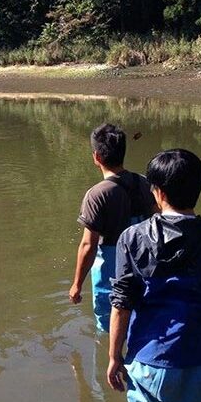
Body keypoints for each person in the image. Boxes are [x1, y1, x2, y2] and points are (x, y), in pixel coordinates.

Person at [107, 149, 201, 402]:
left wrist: (115, 356)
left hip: (153, 367)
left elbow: (121, 303)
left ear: (159, 193)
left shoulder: (132, 238)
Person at [69, 123, 155, 332]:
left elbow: (88, 245)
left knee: (110, 325)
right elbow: (156, 222)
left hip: (111, 269)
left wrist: (77, 284)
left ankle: (110, 358)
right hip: (144, 265)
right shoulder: (144, 183)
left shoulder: (97, 195)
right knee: (140, 319)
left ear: (97, 157)